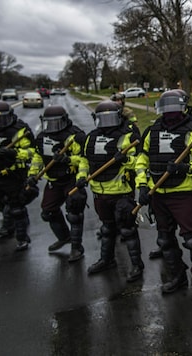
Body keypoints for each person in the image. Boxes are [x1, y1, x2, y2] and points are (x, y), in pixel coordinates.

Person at [135, 89, 192, 301]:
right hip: (158, 195)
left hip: (183, 195)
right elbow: (141, 161)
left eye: (173, 108)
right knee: (165, 240)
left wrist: (186, 168)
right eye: (166, 109)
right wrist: (142, 186)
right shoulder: (152, 131)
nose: (169, 113)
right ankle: (178, 276)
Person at [77, 100, 144, 282]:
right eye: (102, 118)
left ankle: (137, 265)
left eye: (110, 117)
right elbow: (84, 160)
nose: (107, 122)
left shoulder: (128, 136)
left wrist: (124, 160)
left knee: (128, 229)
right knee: (107, 228)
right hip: (99, 192)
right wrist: (81, 176)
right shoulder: (91, 137)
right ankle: (107, 260)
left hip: (122, 191)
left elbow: (138, 161)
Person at [27, 106, 89, 262]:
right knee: (47, 212)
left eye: (56, 122)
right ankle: (64, 237)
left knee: (74, 212)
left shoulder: (74, 136)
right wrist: (32, 175)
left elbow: (84, 159)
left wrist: (69, 161)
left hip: (71, 178)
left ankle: (76, 248)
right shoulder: (42, 137)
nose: (53, 126)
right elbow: (38, 158)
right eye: (50, 123)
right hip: (53, 180)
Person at [0, 101, 36, 259]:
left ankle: (22, 238)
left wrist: (15, 154)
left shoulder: (20, 129)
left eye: (2, 119)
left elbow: (32, 151)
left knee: (17, 209)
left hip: (14, 176)